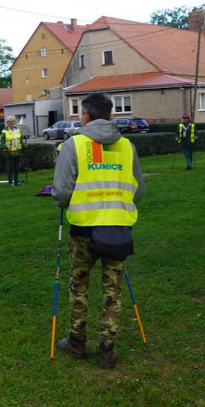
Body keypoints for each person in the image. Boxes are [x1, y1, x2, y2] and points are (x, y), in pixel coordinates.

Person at [53, 92, 145, 369]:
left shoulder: (74, 145)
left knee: (79, 286)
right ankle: (107, 349)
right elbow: (138, 191)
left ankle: (77, 342)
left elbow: (62, 192)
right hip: (117, 229)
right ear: (111, 116)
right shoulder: (127, 146)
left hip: (83, 230)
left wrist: (62, 200)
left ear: (85, 115)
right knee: (112, 290)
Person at [0, 116, 25, 186]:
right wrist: (6, 147)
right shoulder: (4, 131)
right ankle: (10, 182)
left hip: (17, 151)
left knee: (16, 168)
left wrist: (23, 145)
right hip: (9, 152)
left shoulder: (17, 130)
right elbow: (2, 143)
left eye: (12, 121)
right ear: (7, 123)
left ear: (14, 122)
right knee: (10, 168)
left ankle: (16, 181)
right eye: (9, 121)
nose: (11, 122)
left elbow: (20, 139)